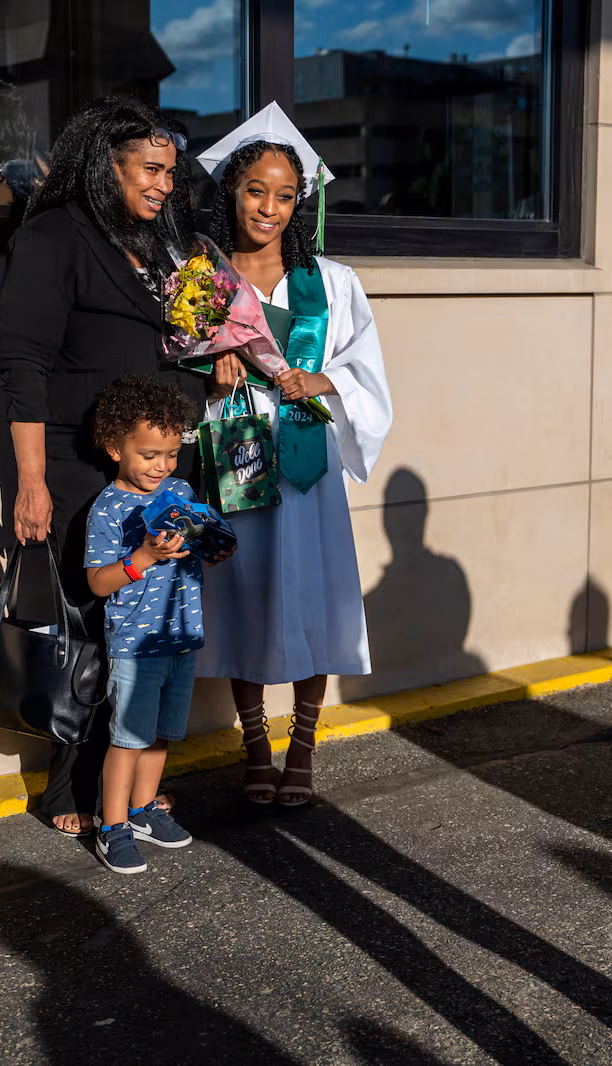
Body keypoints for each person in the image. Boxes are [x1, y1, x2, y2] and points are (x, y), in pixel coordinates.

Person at [0, 97, 207, 837]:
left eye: (171, 173)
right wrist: (29, 481)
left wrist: (223, 359)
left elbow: (179, 340)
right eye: (150, 169)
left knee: (148, 625)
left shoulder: (162, 247)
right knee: (88, 625)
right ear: (103, 165)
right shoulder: (55, 238)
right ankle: (67, 791)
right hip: (79, 466)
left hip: (159, 465)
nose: (163, 185)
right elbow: (22, 363)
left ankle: (131, 792)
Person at [194, 104, 393, 808]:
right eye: (255, 191)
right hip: (239, 454)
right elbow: (173, 363)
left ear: (300, 202)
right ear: (230, 191)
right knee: (242, 600)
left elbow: (366, 368)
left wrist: (325, 378)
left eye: (285, 195)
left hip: (308, 467)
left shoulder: (332, 281)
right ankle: (254, 747)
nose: (269, 208)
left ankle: (302, 750)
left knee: (315, 600)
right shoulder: (203, 281)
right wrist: (207, 372)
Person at [83, 377, 226, 874]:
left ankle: (143, 809)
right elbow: (99, 583)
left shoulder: (181, 491)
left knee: (161, 733)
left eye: (169, 453)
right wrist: (143, 554)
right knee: (127, 738)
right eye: (147, 454)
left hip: (182, 636)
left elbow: (199, 552)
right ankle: (112, 825)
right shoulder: (107, 509)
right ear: (113, 447)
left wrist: (213, 547)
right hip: (135, 645)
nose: (161, 467)